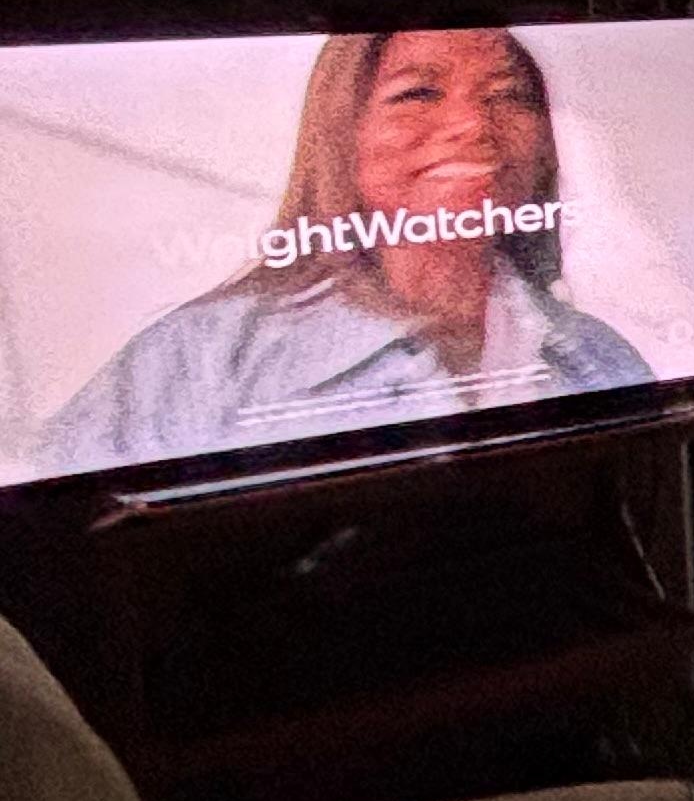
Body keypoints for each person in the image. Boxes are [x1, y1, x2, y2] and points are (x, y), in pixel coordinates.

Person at [40, 27, 654, 475]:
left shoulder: (597, 355)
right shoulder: (199, 359)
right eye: (418, 93)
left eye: (508, 95)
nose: (472, 124)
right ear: (342, 132)